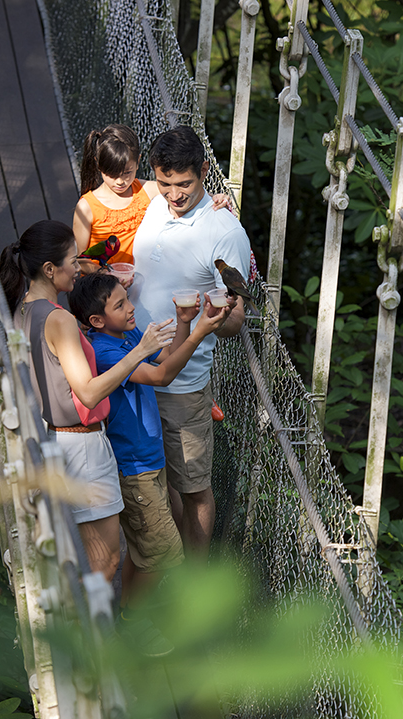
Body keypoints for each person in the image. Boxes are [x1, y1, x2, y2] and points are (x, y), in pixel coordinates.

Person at [0, 220, 176, 583]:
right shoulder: (60, 319)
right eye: (72, 261)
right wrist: (140, 351)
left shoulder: (22, 310)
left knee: (79, 562)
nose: (78, 268)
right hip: (81, 446)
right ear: (50, 269)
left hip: (50, 440)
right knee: (104, 564)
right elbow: (89, 391)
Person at [69, 272, 227, 601]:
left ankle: (130, 617)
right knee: (162, 556)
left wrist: (184, 323)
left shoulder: (128, 337)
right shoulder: (106, 352)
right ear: (97, 320)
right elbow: (161, 376)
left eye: (127, 300)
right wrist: (199, 332)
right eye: (120, 304)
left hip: (149, 461)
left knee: (145, 555)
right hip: (135, 467)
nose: (130, 308)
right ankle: (137, 623)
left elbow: (166, 358)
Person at [129, 125, 250, 555]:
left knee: (193, 485)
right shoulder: (153, 200)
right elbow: (117, 184)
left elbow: (236, 322)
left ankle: (193, 589)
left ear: (203, 172)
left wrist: (214, 315)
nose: (174, 195)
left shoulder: (224, 233)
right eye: (165, 183)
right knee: (158, 482)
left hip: (182, 383)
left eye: (185, 184)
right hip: (134, 369)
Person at [72, 124, 231, 269]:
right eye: (112, 175)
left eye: (127, 172)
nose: (120, 181)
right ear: (98, 165)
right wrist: (105, 274)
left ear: (138, 162)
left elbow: (185, 192)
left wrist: (215, 197)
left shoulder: (145, 190)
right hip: (103, 288)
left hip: (140, 282)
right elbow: (79, 259)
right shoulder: (87, 207)